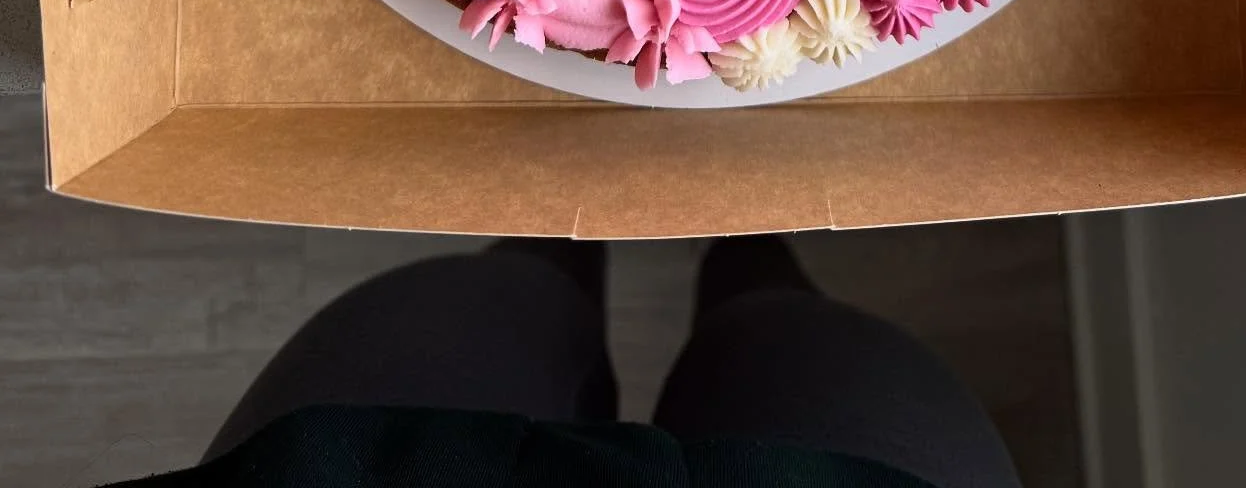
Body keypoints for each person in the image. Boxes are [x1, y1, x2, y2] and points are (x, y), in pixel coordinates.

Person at [109, 234, 1022, 487]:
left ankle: (569, 224)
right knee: (779, 326)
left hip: (386, 466)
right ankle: (739, 230)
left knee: (511, 295)